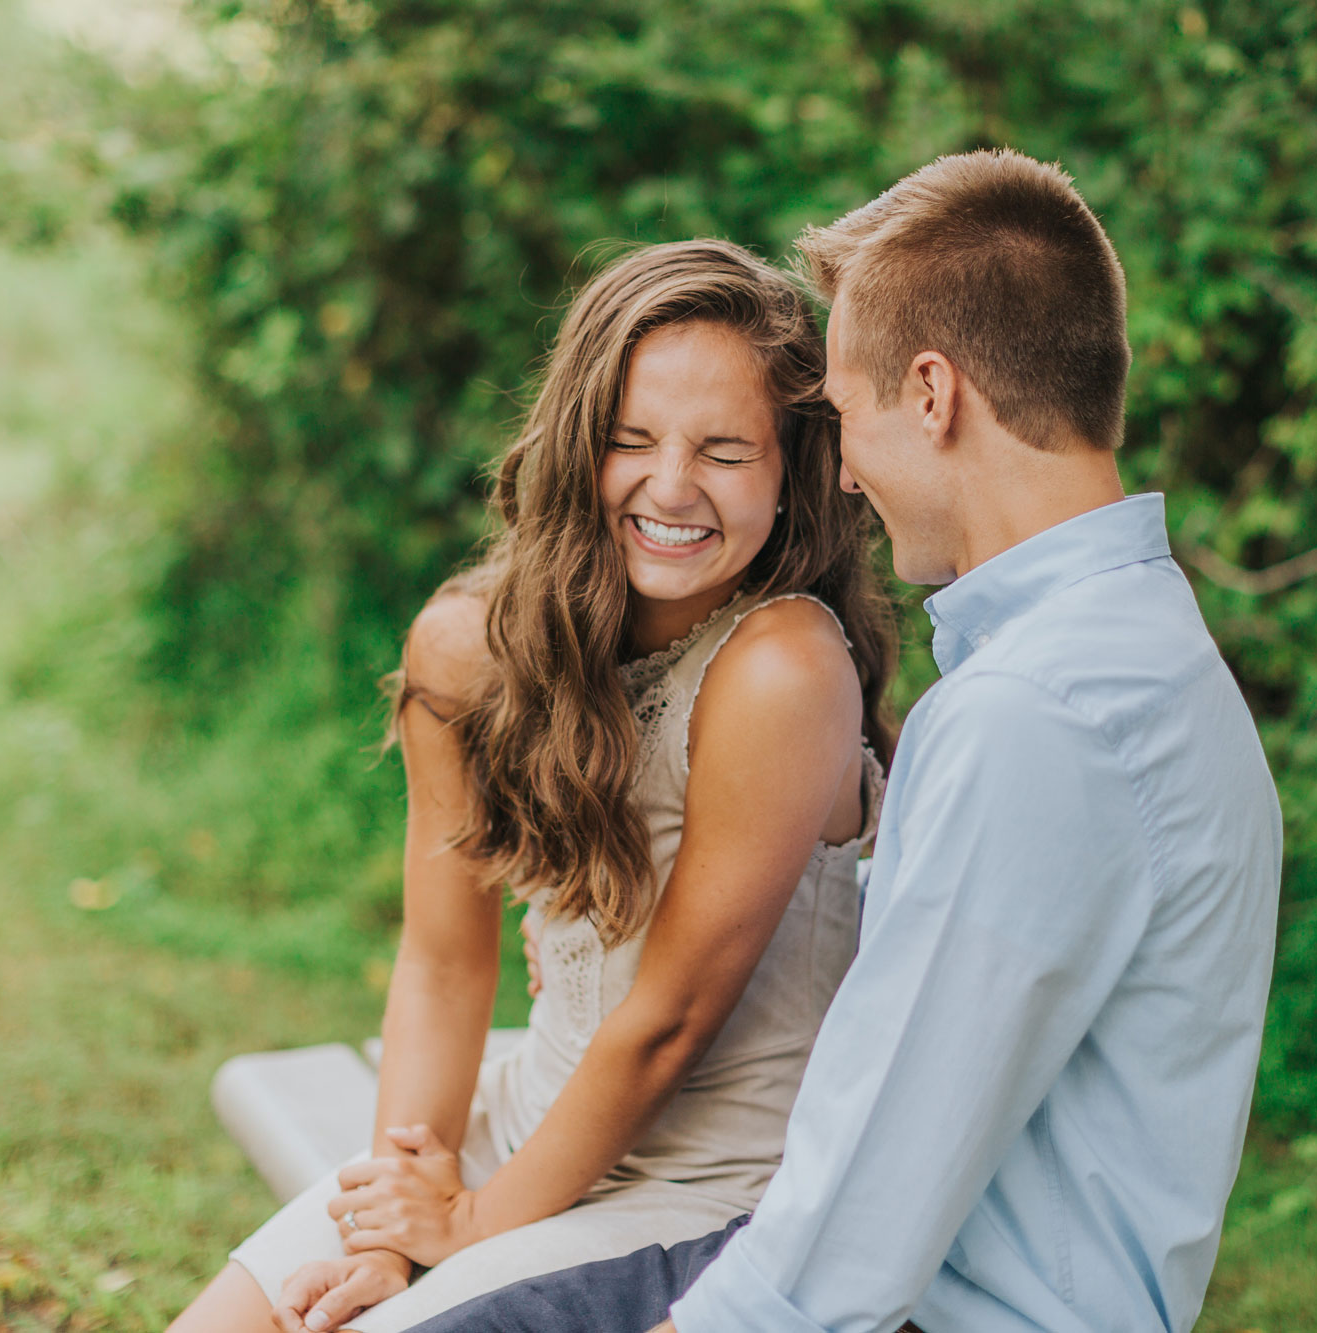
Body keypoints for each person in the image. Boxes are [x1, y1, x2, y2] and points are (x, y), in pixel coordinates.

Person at [390, 149, 1284, 1333]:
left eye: (845, 415)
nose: (846, 476)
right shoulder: (1128, 651)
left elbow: (863, 1211)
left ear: (931, 394)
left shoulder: (1032, 712)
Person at [166, 238, 900, 1333]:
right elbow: (442, 962)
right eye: (629, 439)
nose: (669, 485)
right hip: (523, 1129)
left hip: (714, 1195)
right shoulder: (468, 649)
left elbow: (670, 1018)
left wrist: (464, 1231)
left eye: (725, 451)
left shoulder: (782, 668)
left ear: (792, 467)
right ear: (573, 444)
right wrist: (394, 1222)